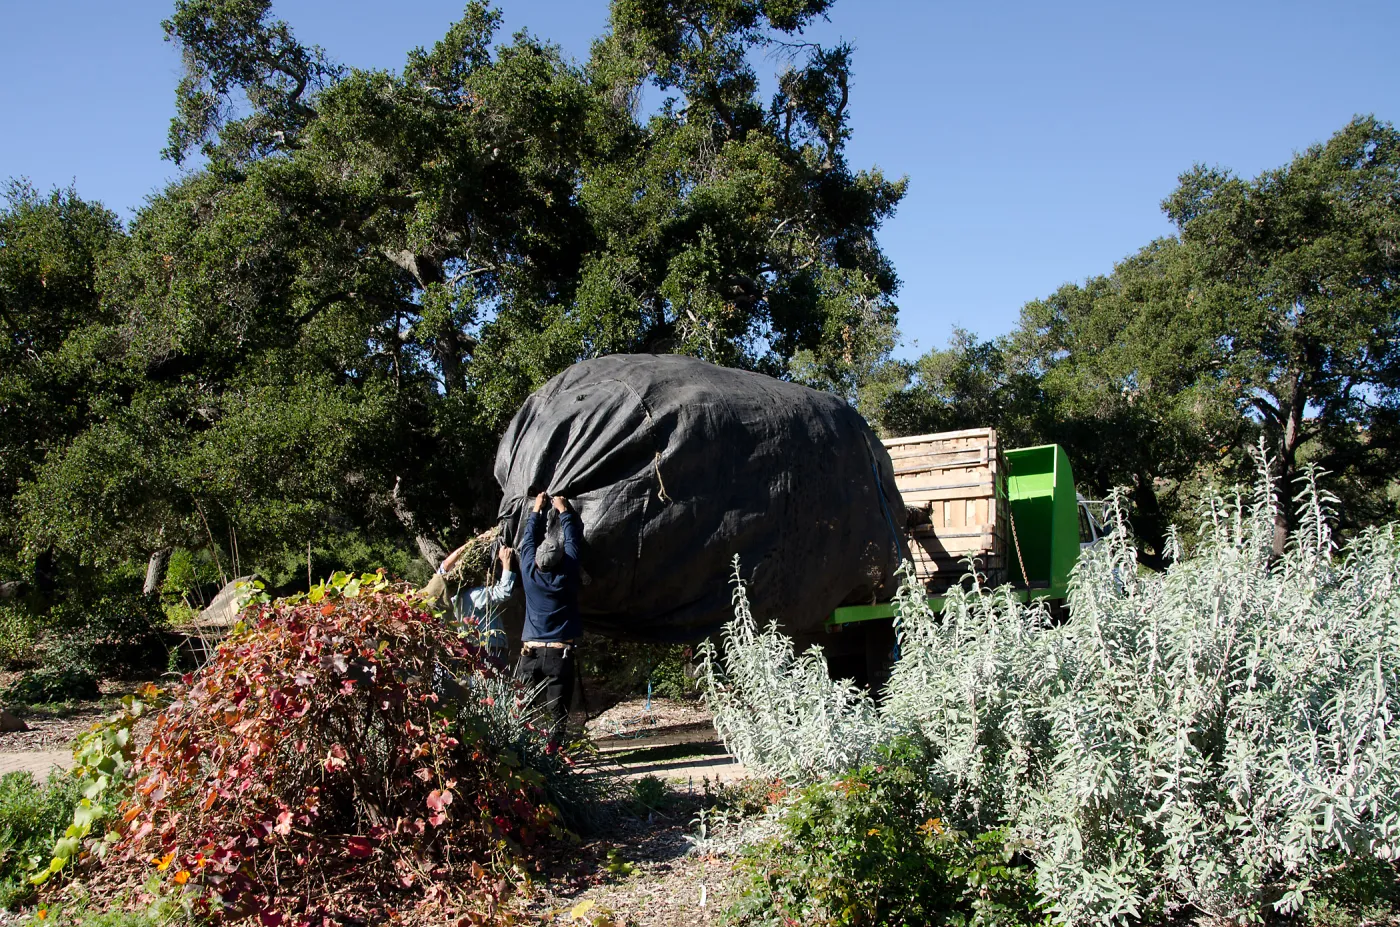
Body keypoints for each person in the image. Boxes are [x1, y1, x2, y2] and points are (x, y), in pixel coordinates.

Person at [516, 491, 583, 748]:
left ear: (537, 561)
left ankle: (523, 758)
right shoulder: (566, 576)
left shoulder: (528, 572)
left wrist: (537, 509)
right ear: (559, 562)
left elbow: (528, 539)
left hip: (529, 654)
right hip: (558, 656)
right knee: (557, 717)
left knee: (523, 713)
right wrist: (563, 510)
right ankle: (554, 759)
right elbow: (572, 542)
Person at [436, 542, 515, 659]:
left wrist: (472, 543)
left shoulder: (445, 595)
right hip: (490, 649)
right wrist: (506, 562)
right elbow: (504, 591)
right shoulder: (474, 596)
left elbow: (445, 566)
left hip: (468, 652)